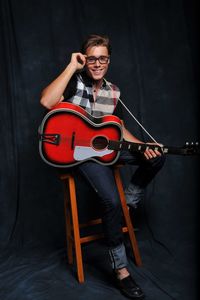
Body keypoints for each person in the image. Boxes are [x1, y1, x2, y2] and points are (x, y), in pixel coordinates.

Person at [40, 34, 165, 299]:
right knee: (111, 202)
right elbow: (47, 102)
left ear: (109, 60)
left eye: (103, 58)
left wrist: (143, 146)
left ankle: (129, 201)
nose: (97, 64)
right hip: (79, 155)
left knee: (155, 157)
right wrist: (71, 66)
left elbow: (115, 128)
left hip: (105, 150)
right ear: (85, 59)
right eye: (92, 58)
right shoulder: (74, 81)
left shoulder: (113, 90)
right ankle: (121, 270)